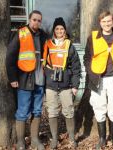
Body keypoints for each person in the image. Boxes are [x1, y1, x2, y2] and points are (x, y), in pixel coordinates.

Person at [83, 11, 113, 150]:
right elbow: (87, 57)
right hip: (98, 79)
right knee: (99, 107)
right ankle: (102, 138)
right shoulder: (93, 37)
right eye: (104, 21)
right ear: (100, 22)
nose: (107, 24)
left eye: (109, 21)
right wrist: (91, 72)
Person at [6, 10, 47, 150]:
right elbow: (10, 57)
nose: (36, 22)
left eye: (39, 20)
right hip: (24, 80)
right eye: (34, 19)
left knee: (37, 111)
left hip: (40, 80)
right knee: (22, 112)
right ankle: (21, 142)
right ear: (29, 19)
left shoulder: (44, 36)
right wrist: (12, 77)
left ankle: (35, 140)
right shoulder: (20, 33)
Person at [43, 17, 81, 149]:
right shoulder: (47, 44)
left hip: (66, 85)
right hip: (50, 85)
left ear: (65, 30)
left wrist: (75, 85)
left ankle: (71, 138)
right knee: (52, 112)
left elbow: (76, 67)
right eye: (57, 28)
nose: (59, 30)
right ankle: (54, 139)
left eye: (62, 28)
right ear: (54, 30)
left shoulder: (69, 45)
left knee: (69, 111)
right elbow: (42, 66)